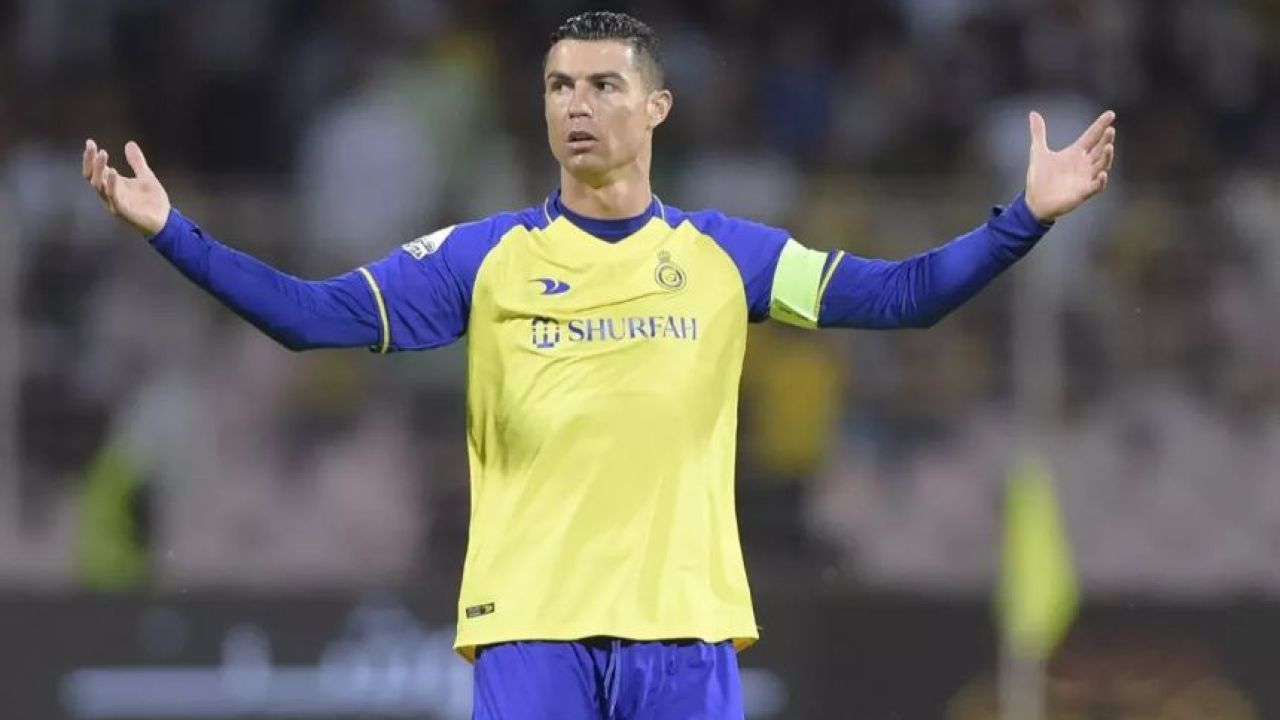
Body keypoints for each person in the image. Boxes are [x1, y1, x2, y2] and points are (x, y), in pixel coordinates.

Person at [81, 11, 1116, 720]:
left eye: (603, 85)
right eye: (557, 86)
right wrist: (173, 231)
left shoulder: (727, 257)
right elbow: (310, 319)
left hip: (684, 633)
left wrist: (1023, 218)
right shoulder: (483, 259)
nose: (575, 104)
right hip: (531, 632)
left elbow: (903, 297)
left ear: (656, 107)